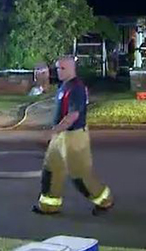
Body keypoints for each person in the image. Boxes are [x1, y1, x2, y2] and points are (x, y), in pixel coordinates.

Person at [32, 56, 114, 216]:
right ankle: (49, 206)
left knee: (80, 175)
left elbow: (73, 115)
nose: (59, 71)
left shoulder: (76, 88)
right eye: (57, 68)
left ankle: (105, 201)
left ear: (72, 69)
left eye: (62, 68)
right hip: (60, 135)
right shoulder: (64, 85)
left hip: (74, 136)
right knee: (51, 170)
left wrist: (53, 132)